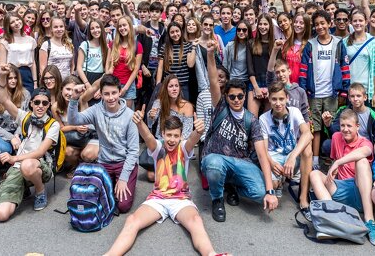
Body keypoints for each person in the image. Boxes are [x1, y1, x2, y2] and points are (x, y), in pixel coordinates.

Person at [104, 111, 227, 256]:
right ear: (163, 133)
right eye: (169, 135)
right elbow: (148, 137)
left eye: (176, 135)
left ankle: (212, 254)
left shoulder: (183, 147)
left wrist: (198, 132)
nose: (172, 139)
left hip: (181, 200)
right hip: (158, 198)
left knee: (196, 221)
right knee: (132, 220)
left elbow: (192, 141)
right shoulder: (158, 148)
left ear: (181, 136)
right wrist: (140, 123)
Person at [199, 38, 279, 223]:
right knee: (214, 166)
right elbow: (212, 78)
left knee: (259, 193)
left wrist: (270, 191)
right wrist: (210, 54)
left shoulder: (252, 120)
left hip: (240, 163)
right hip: (216, 158)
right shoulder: (221, 107)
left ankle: (232, 186)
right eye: (232, 96)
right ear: (226, 96)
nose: (236, 99)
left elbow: (261, 154)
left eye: (240, 96)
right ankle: (217, 199)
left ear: (244, 96)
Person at [309, 108, 375, 247]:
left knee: (361, 162)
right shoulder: (337, 137)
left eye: (349, 126)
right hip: (340, 188)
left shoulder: (365, 142)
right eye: (343, 125)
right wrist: (333, 168)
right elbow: (334, 161)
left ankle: (370, 221)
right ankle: (332, 215)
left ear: (357, 127)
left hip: (360, 192)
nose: (345, 129)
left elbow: (365, 152)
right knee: (314, 174)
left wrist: (338, 162)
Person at [0, 67, 61, 220]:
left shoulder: (53, 125)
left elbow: (39, 152)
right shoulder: (25, 117)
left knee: (28, 165)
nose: (40, 106)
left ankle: (40, 191)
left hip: (39, 165)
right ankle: (23, 186)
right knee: (1, 214)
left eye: (45, 103)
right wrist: (3, 78)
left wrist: (14, 159)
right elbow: (4, 100)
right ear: (31, 103)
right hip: (19, 167)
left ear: (48, 105)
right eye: (37, 102)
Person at [68, 74, 139, 213]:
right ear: (100, 94)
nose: (111, 97)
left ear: (120, 92)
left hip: (124, 163)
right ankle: (112, 184)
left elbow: (133, 151)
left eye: (114, 93)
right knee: (96, 199)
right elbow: (74, 120)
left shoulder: (129, 115)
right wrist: (74, 98)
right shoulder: (96, 110)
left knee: (122, 206)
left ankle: (127, 181)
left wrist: (124, 178)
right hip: (104, 163)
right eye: (106, 94)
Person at [298, 10, 351, 170]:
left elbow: (344, 66)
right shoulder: (311, 45)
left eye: (323, 23)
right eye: (317, 24)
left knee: (332, 127)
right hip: (314, 94)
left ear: (330, 23)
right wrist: (303, 91)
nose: (320, 27)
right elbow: (303, 69)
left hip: (332, 93)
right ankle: (314, 160)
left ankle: (334, 158)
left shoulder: (338, 43)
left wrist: (344, 90)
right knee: (315, 127)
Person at [259, 82, 311, 196]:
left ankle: (303, 196)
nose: (278, 103)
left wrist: (292, 157)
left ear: (287, 98)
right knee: (273, 186)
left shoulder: (294, 112)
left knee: (307, 148)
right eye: (274, 99)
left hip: (292, 155)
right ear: (269, 99)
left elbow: (308, 134)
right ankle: (280, 180)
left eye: (281, 99)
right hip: (274, 157)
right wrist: (272, 163)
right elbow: (264, 148)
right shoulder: (263, 118)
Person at [0, 63, 30, 156]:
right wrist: (11, 138)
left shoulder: (25, 94)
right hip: (2, 135)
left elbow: (26, 119)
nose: (13, 81)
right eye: (10, 78)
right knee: (1, 147)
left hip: (20, 133)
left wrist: (17, 135)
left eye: (15, 78)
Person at [346, 8, 375, 107]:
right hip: (350, 90)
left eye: (360, 20)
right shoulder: (345, 42)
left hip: (366, 90)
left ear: (366, 22)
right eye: (355, 21)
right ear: (351, 23)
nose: (358, 23)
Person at [106, 16, 143, 109]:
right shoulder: (113, 44)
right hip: (112, 84)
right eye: (120, 26)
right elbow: (107, 64)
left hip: (128, 86)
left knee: (127, 117)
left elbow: (135, 70)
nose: (122, 28)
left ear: (130, 26)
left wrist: (125, 88)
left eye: (124, 25)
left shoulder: (137, 46)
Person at [0, 11, 38, 94]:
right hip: (11, 74)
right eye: (12, 22)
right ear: (8, 26)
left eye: (17, 19)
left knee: (28, 100)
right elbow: (2, 65)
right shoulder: (5, 41)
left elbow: (33, 63)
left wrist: (35, 82)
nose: (16, 23)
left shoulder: (30, 40)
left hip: (27, 74)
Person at [156, 23, 195, 103]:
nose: (175, 34)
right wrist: (158, 84)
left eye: (177, 31)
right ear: (169, 34)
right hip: (169, 85)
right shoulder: (164, 47)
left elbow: (190, 64)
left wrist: (193, 47)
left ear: (181, 32)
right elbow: (160, 68)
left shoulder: (187, 46)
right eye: (172, 32)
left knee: (183, 110)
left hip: (183, 85)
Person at [247, 15, 275, 117]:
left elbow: (276, 67)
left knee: (267, 119)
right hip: (255, 82)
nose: (262, 27)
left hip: (271, 83)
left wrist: (270, 88)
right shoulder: (251, 43)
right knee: (252, 119)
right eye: (260, 24)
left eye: (265, 24)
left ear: (270, 26)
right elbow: (250, 68)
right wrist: (256, 87)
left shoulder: (275, 44)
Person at [76, 19, 108, 90]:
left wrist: (100, 88)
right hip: (86, 77)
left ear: (102, 29)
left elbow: (107, 69)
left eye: (97, 27)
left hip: (100, 78)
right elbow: (79, 67)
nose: (95, 30)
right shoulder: (85, 45)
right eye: (92, 28)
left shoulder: (106, 47)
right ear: (89, 31)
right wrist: (86, 83)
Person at [223, 21, 250, 86]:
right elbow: (225, 64)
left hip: (247, 81)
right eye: (239, 30)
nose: (241, 32)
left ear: (249, 31)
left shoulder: (251, 46)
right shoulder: (230, 45)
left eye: (244, 30)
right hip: (232, 80)